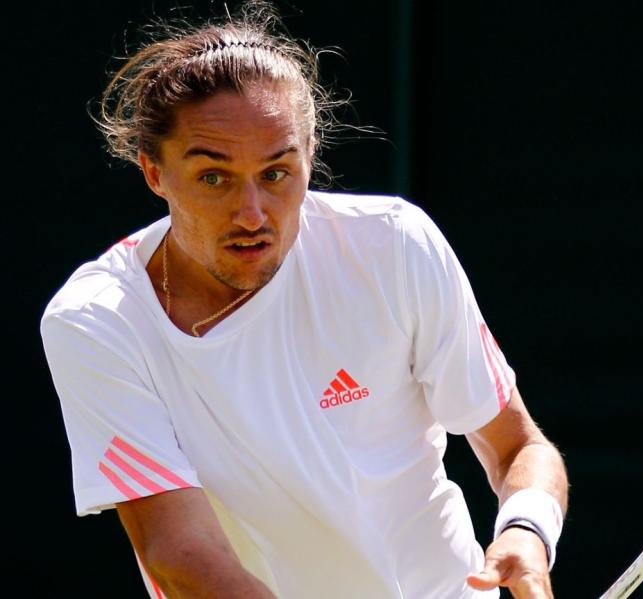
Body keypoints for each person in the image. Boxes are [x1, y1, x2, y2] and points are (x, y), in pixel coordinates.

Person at [39, 2, 568, 598]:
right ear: (154, 173)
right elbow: (180, 553)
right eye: (214, 177)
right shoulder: (95, 321)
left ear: (309, 157)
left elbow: (518, 445)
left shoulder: (394, 246)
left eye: (276, 173)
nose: (251, 214)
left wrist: (526, 531)